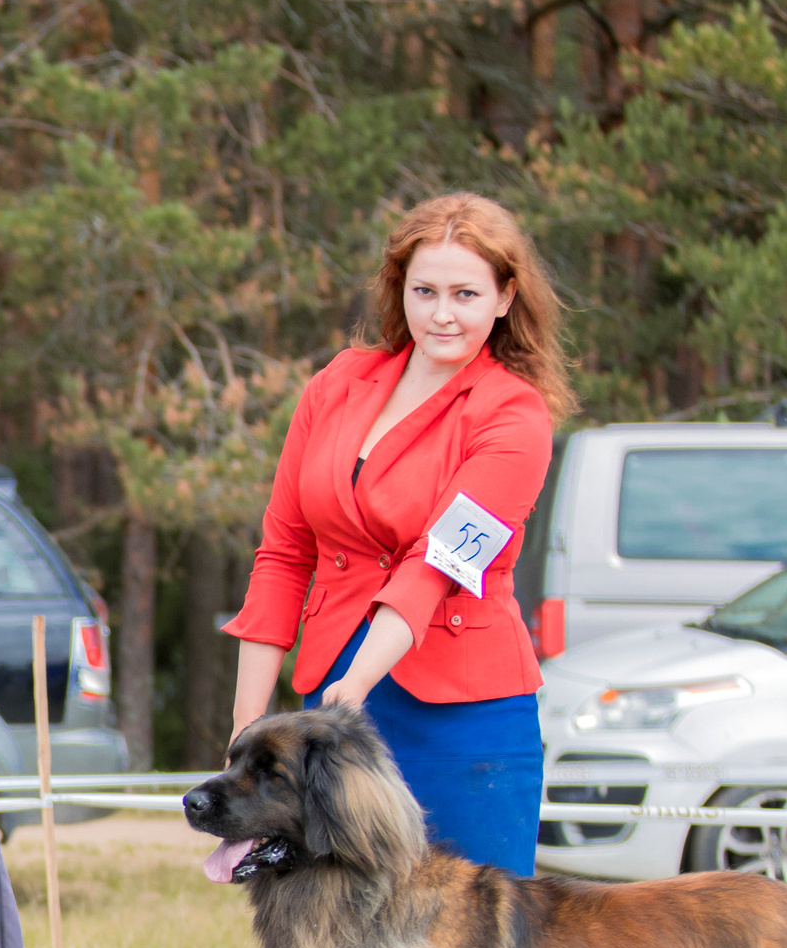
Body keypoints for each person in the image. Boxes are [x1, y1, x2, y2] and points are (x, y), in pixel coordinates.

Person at [223, 192, 571, 877]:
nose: (443, 313)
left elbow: (437, 566)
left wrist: (353, 691)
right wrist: (247, 729)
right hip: (332, 696)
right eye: (425, 291)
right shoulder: (337, 383)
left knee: (476, 945)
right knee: (330, 925)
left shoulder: (517, 416)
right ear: (399, 291)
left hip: (459, 713)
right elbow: (284, 555)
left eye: (466, 293)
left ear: (505, 297)